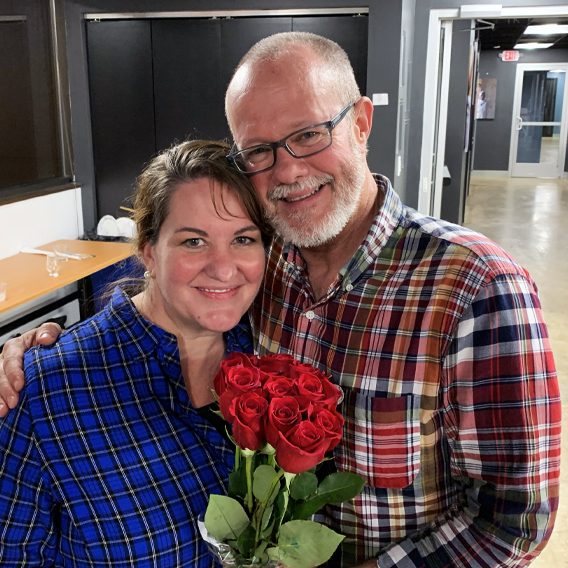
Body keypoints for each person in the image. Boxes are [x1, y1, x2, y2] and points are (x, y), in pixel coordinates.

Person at [0, 32, 561, 568]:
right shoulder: (263, 277)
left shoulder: (475, 285)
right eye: (259, 150)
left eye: (310, 134)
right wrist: (42, 352)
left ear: (361, 123)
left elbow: (514, 521)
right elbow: (168, 302)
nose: (288, 170)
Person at [0, 139, 272, 565]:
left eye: (243, 238)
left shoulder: (271, 356)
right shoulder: (44, 395)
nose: (223, 267)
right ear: (148, 250)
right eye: (193, 242)